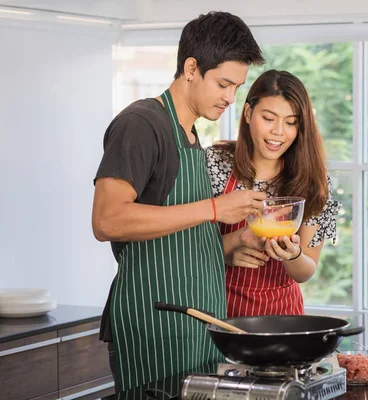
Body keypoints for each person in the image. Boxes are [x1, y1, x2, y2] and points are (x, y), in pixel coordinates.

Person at [91, 12, 266, 391]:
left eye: (237, 87)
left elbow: (171, 237)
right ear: (191, 68)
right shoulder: (141, 123)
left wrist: (230, 245)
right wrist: (218, 208)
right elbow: (107, 220)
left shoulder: (189, 134)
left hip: (197, 328)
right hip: (156, 327)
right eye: (223, 84)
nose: (230, 98)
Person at [206, 69, 341, 318]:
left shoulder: (313, 182)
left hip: (282, 318)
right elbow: (184, 248)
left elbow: (306, 270)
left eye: (291, 122)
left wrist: (293, 255)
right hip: (216, 314)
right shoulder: (215, 163)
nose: (279, 131)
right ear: (248, 113)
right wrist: (225, 252)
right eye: (269, 118)